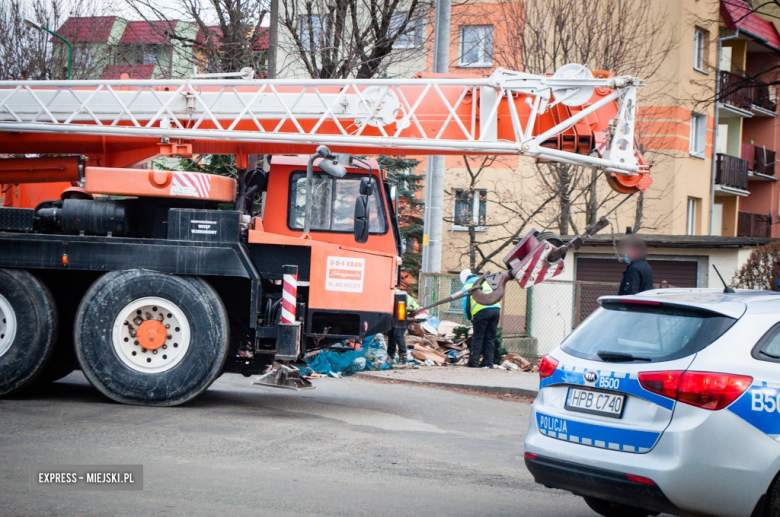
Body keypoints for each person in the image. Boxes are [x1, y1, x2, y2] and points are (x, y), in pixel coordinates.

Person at [460, 269, 501, 368]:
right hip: (496, 310)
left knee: (478, 337)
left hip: (481, 312)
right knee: (490, 338)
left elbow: (465, 305)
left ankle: (473, 362)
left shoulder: (467, 286)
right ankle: (488, 363)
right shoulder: (485, 281)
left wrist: (468, 317)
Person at [387, 288, 419, 365]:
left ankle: (403, 357)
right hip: (401, 313)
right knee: (391, 333)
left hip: (407, 312)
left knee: (398, 334)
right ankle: (391, 356)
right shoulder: (390, 291)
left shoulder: (391, 293)